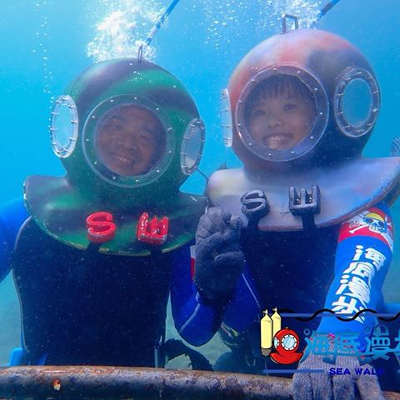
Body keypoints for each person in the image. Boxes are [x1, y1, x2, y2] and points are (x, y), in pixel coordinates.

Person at [173, 28, 400, 399]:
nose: (273, 120)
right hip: (265, 362)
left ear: (327, 111)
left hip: (358, 364)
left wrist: (335, 343)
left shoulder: (360, 199)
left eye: (290, 107)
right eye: (259, 111)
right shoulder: (227, 204)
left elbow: (361, 265)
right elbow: (197, 331)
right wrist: (212, 289)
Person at [0, 57, 208, 367]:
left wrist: (214, 288)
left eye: (146, 135)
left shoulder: (176, 228)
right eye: (115, 124)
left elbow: (196, 330)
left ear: (166, 149)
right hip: (40, 387)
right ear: (83, 126)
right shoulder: (25, 218)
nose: (128, 142)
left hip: (141, 388)